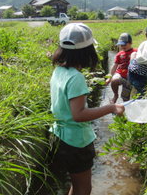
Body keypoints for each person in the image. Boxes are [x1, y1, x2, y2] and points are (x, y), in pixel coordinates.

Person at [49, 23, 124, 195]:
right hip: (76, 142)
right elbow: (79, 115)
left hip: (60, 136)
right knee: (83, 189)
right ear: (87, 52)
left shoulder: (59, 71)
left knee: (75, 185)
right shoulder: (76, 78)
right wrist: (111, 107)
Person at [106, 33, 137, 103]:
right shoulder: (119, 54)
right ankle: (115, 95)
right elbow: (114, 66)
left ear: (130, 43)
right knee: (114, 80)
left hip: (129, 77)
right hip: (120, 74)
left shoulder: (135, 52)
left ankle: (125, 107)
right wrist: (109, 77)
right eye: (121, 45)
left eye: (124, 44)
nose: (122, 46)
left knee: (125, 98)